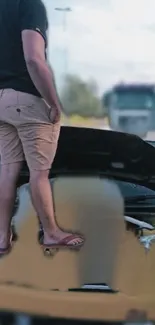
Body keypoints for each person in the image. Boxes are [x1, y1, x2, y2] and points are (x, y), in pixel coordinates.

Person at [0, 0, 84, 256]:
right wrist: (53, 102)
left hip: (1, 99)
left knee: (6, 170)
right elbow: (34, 59)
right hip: (27, 99)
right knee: (39, 173)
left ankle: (2, 237)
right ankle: (51, 232)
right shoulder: (29, 5)